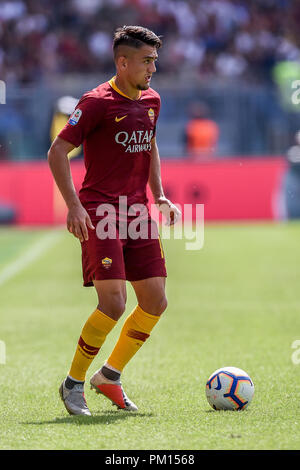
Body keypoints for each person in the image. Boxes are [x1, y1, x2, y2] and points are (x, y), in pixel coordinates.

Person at [48, 25, 180, 416]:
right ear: (122, 63)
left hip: (138, 211)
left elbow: (150, 143)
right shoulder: (95, 103)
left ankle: (109, 376)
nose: (153, 68)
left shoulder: (152, 99)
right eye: (146, 60)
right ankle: (73, 384)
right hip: (101, 210)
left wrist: (158, 195)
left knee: (155, 301)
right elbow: (58, 151)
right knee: (113, 303)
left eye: (155, 60)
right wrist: (73, 206)